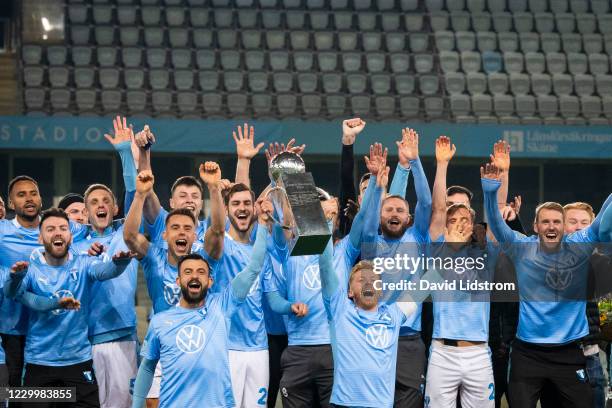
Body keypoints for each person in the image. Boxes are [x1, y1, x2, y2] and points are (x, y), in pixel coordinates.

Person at [482, 162, 612, 408]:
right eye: (545, 222)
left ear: (564, 227)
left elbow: (602, 224)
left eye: (556, 222)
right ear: (535, 226)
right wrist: (489, 191)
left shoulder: (580, 245)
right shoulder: (522, 248)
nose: (551, 226)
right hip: (527, 354)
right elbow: (498, 227)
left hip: (570, 353)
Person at [130, 199, 273, 408]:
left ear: (210, 281)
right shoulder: (160, 321)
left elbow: (254, 267)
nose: (194, 276)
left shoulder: (223, 305)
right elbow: (147, 368)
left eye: (201, 272)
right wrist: (135, 405)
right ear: (178, 281)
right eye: (187, 272)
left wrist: (261, 222)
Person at [4, 207, 133, 407]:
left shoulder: (83, 264)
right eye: (50, 229)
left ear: (70, 237)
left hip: (78, 363)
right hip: (39, 364)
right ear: (40, 238)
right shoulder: (31, 269)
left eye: (63, 228)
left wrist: (120, 264)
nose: (57, 232)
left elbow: (105, 271)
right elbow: (12, 293)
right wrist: (15, 277)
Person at [70, 115, 140, 408]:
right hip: (86, 340)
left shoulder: (127, 232)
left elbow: (136, 192)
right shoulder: (75, 243)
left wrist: (125, 151)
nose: (100, 205)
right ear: (85, 212)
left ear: (115, 207)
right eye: (93, 202)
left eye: (105, 201)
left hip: (124, 337)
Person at [360, 129, 432, 408]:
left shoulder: (418, 237)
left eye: (400, 210)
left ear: (409, 218)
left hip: (409, 340)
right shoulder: (370, 242)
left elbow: (426, 202)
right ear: (380, 216)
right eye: (388, 210)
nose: (393, 214)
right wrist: (378, 187)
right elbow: (366, 216)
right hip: (373, 333)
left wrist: (414, 161)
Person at [0, 175, 87, 394]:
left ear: (41, 198)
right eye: (21, 195)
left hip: (51, 332)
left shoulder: (62, 228)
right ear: (11, 204)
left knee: (51, 398)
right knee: (14, 395)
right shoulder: (2, 231)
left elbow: (101, 228)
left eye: (33, 193)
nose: (29, 199)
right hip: (13, 328)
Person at [202, 158, 277, 407]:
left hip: (258, 348)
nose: (242, 208)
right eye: (235, 204)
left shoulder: (260, 245)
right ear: (226, 208)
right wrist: (213, 189)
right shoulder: (220, 245)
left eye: (247, 203)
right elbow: (214, 230)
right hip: (227, 346)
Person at [123, 170, 199, 407]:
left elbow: (218, 231)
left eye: (187, 229)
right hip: (161, 340)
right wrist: (140, 195)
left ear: (195, 236)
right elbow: (130, 236)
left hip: (196, 341)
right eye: (175, 228)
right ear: (165, 234)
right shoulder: (154, 256)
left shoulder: (203, 261)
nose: (181, 233)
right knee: (154, 403)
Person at [540, 202, 607, 408]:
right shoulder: (542, 261)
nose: (579, 227)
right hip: (550, 354)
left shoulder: (601, 261)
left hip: (589, 353)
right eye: (573, 222)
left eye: (585, 223)